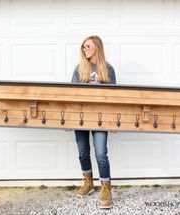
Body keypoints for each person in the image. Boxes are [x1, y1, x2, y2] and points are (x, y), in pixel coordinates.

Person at [71, 35, 116, 209]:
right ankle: (88, 183)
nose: (84, 49)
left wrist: (113, 121)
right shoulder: (79, 68)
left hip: (101, 118)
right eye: (83, 47)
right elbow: (72, 95)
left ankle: (106, 189)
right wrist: (69, 120)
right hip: (81, 118)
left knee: (101, 154)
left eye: (87, 46)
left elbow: (115, 98)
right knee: (83, 152)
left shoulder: (108, 69)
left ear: (97, 46)